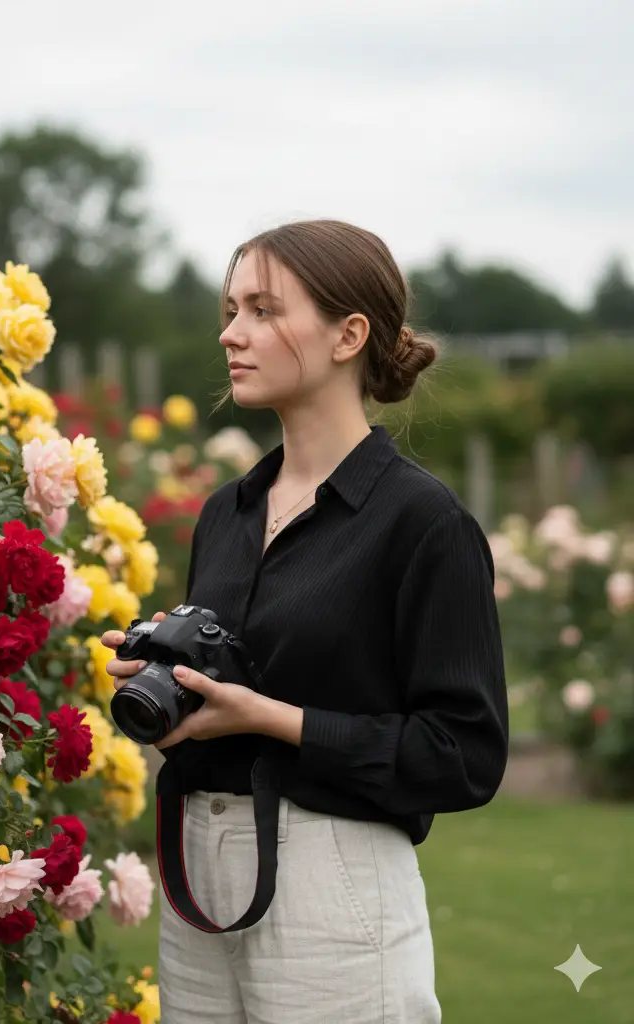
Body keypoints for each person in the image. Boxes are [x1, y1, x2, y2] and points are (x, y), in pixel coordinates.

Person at [101, 219, 509, 1024]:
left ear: (348, 335)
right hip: (199, 878)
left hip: (335, 875)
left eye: (261, 309)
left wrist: (275, 721)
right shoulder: (227, 511)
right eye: (230, 310)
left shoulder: (422, 523)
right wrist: (173, 689)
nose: (230, 333)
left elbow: (464, 755)